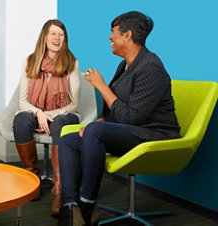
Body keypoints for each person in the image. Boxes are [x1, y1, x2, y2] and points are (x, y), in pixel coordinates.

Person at [58, 11, 181, 225]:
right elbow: (120, 109)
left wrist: (101, 86)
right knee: (68, 141)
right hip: (131, 130)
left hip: (152, 134)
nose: (110, 37)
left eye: (113, 32)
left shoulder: (151, 67)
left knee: (94, 133)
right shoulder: (125, 65)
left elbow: (131, 117)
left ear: (127, 35)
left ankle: (87, 204)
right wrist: (101, 122)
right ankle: (71, 207)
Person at [12, 19, 81, 217]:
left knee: (60, 123)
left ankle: (58, 190)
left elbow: (73, 104)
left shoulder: (72, 63)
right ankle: (33, 179)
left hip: (64, 114)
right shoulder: (30, 61)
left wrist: (49, 115)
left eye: (61, 34)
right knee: (21, 120)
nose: (57, 38)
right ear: (44, 36)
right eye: (53, 33)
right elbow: (23, 101)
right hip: (37, 112)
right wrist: (38, 113)